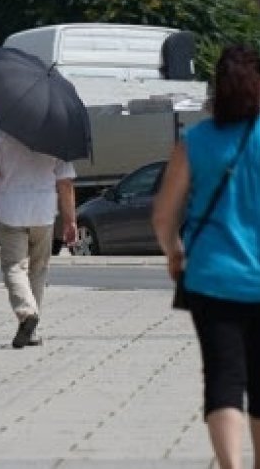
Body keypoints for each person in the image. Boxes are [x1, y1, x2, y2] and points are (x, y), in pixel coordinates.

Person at [152, 45, 260, 469]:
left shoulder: (194, 141)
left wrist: (173, 253)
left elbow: (164, 215)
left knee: (223, 377)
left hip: (211, 277)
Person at [0, 127, 76, 348]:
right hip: (44, 212)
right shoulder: (57, 136)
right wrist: (71, 220)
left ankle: (27, 312)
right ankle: (32, 330)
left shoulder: (0, 134)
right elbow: (65, 183)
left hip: (11, 209)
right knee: (39, 269)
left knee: (14, 266)